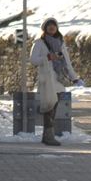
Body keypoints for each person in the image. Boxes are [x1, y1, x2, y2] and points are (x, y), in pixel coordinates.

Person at [30, 17, 83, 146]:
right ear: (45, 28)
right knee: (48, 106)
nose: (52, 28)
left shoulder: (60, 43)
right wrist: (48, 57)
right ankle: (48, 136)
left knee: (53, 107)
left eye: (54, 26)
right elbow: (33, 60)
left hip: (58, 79)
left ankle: (48, 135)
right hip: (47, 79)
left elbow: (66, 62)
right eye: (49, 26)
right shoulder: (39, 43)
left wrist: (74, 77)